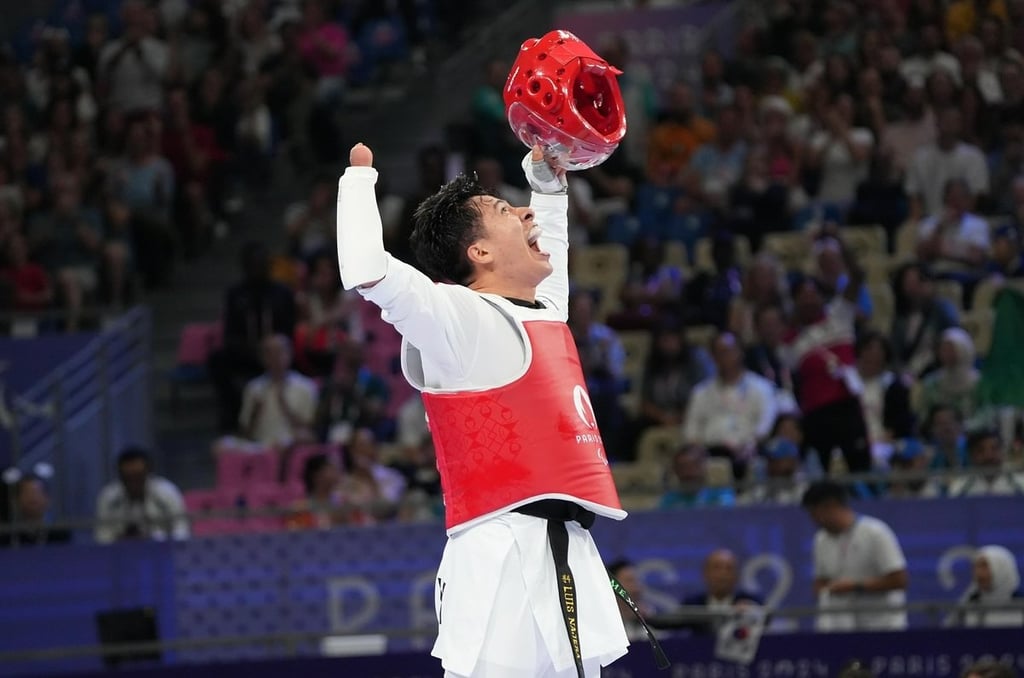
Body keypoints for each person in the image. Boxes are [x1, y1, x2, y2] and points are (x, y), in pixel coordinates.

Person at [337, 143, 630, 677]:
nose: (524, 214)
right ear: (480, 254)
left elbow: (553, 252)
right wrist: (358, 184)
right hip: (499, 555)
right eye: (504, 210)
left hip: (562, 549)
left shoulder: (543, 314)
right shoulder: (456, 321)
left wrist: (546, 185)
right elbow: (366, 271)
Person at [801, 480, 909, 632]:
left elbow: (899, 580)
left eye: (814, 513)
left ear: (830, 506)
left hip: (883, 626)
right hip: (843, 628)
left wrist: (855, 586)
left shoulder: (875, 533)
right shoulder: (821, 540)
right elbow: (821, 580)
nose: (813, 520)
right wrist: (825, 591)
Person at [95, 447, 189, 544]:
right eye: (128, 478)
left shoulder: (167, 493)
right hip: (120, 553)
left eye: (138, 477)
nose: (133, 483)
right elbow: (102, 537)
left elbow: (181, 530)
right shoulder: (108, 497)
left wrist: (157, 539)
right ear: (120, 476)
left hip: (161, 551)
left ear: (148, 473)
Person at [680, 550, 763, 635]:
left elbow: (766, 620)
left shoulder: (751, 601)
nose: (722, 574)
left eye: (729, 568)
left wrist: (753, 613)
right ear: (705, 573)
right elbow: (671, 625)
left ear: (737, 575)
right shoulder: (692, 604)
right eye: (717, 568)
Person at [947, 545, 1024, 628]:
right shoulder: (968, 604)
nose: (978, 573)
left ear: (1002, 569)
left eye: (984, 566)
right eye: (976, 567)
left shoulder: (1020, 602)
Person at [0, 474, 71, 547]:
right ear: (17, 500)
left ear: (48, 500)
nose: (32, 497)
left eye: (37, 492)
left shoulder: (60, 533)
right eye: (27, 493)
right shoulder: (8, 535)